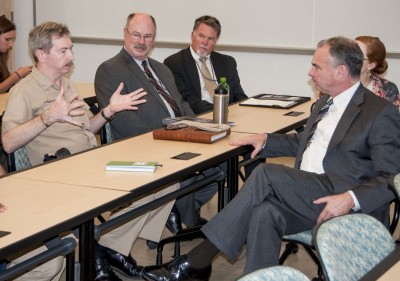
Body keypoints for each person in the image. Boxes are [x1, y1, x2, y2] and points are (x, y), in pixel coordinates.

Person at [141, 36, 400, 280]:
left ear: (341, 72)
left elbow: (391, 177)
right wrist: (265, 140)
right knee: (265, 212)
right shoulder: (324, 103)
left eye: (316, 67)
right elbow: (303, 143)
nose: (310, 73)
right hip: (308, 194)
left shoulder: (379, 113)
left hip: (343, 200)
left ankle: (196, 261)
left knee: (265, 174)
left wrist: (350, 199)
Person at [1, 21, 174, 281]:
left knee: (163, 179)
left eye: (71, 49)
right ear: (41, 54)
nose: (71, 56)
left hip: (92, 164)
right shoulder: (24, 91)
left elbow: (87, 127)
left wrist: (108, 111)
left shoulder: (67, 86)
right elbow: (8, 142)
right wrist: (47, 117)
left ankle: (105, 246)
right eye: (63, 51)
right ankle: (99, 249)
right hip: (60, 175)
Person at [95, 13, 220, 230]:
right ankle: (188, 221)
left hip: (179, 135)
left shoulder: (160, 68)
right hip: (144, 146)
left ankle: (175, 209)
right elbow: (124, 123)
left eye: (148, 36)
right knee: (186, 176)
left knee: (221, 164)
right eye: (136, 35)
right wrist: (170, 138)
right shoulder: (109, 69)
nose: (142, 42)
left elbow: (181, 104)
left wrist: (200, 127)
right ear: (125, 34)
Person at [163, 15, 247, 115]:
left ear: (216, 41)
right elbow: (185, 99)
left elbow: (239, 95)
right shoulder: (174, 63)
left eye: (210, 38)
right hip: (198, 117)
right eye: (201, 36)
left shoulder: (227, 62)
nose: (205, 42)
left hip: (228, 115)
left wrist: (248, 107)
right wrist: (218, 110)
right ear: (192, 35)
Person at [0, 15, 32, 172]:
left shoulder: (2, 57)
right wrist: (16, 75)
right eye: (7, 39)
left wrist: (17, 81)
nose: (11, 44)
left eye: (12, 40)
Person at [355, 36, 400, 109]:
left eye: (357, 56)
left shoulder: (388, 89)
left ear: (371, 65)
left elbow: (392, 119)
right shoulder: (335, 83)